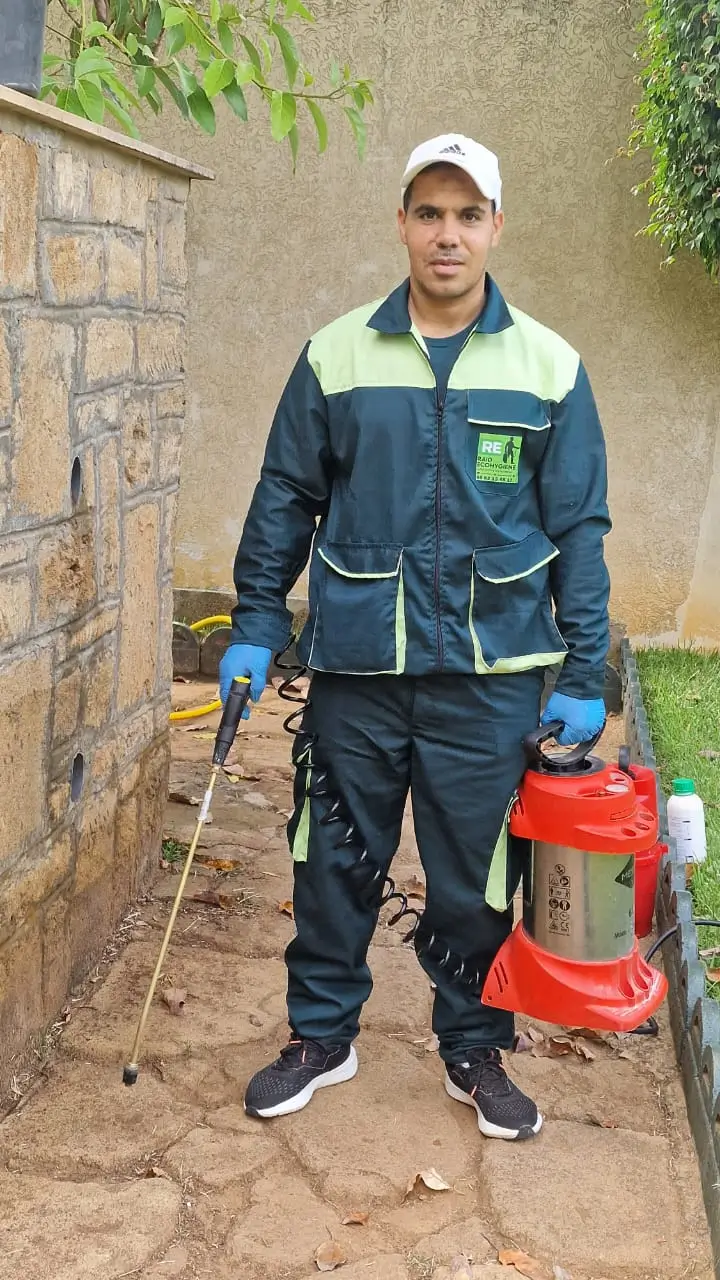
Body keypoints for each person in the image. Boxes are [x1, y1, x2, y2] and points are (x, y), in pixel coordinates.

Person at [219, 134, 610, 1141]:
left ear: (495, 227)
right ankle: (321, 1033)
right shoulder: (336, 352)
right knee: (331, 858)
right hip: (358, 662)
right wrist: (258, 621)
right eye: (429, 213)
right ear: (401, 223)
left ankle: (474, 1043)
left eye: (467, 214)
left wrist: (585, 666)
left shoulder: (550, 366)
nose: (448, 234)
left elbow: (578, 526)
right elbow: (285, 499)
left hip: (492, 673)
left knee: (475, 873)